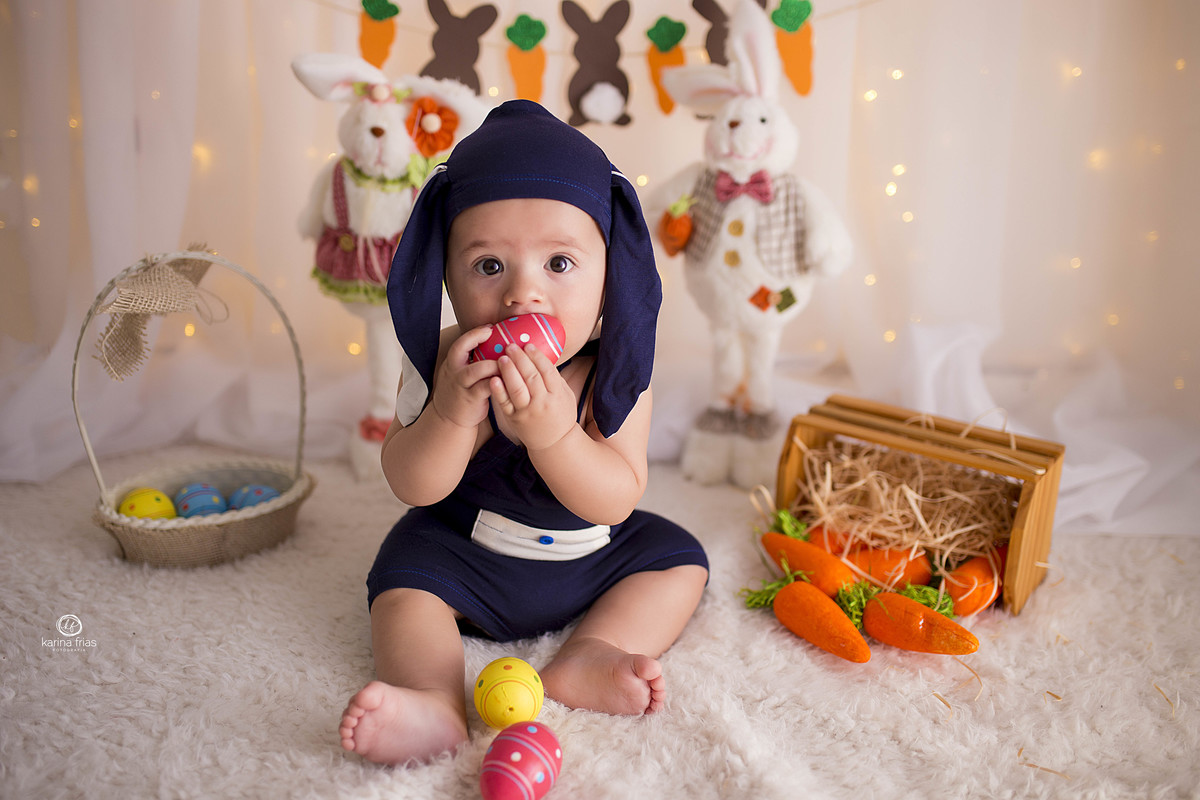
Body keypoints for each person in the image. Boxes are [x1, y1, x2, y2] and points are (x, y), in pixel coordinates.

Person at [338, 100, 710, 766]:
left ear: (607, 282)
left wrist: (556, 436)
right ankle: (430, 697)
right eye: (489, 267)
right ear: (449, 276)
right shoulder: (446, 356)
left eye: (559, 265)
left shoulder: (617, 371)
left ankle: (592, 652)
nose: (522, 296)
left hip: (590, 557)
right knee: (401, 582)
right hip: (467, 553)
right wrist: (453, 412)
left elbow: (615, 499)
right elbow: (413, 483)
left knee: (678, 558)